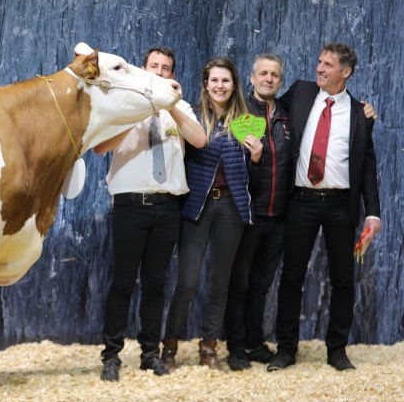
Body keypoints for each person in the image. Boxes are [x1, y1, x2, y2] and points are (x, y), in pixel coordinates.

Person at [268, 43, 382, 372]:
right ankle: (286, 350)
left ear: (345, 72)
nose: (319, 68)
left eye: (328, 65)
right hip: (301, 201)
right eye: (319, 62)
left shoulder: (361, 114)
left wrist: (372, 212)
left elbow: (367, 167)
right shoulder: (301, 93)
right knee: (291, 276)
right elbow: (268, 109)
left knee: (343, 279)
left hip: (339, 205)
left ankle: (337, 350)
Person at [95, 47, 207, 381]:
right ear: (143, 70)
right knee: (123, 282)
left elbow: (199, 140)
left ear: (172, 75)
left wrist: (169, 106)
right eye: (154, 67)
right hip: (131, 203)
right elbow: (101, 147)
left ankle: (149, 354)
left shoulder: (179, 106)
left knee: (156, 284)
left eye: (166, 68)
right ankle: (111, 356)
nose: (160, 72)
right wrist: (139, 110)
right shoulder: (125, 107)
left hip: (167, 206)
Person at [162, 57, 263, 371]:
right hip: (197, 207)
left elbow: (253, 175)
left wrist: (257, 156)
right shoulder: (191, 116)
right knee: (188, 282)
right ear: (206, 84)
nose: (220, 86)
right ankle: (169, 348)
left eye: (226, 81)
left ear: (234, 85)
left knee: (220, 283)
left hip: (231, 207)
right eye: (214, 80)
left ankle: (209, 348)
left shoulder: (247, 119)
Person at [223, 53, 293, 370]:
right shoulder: (241, 115)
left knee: (262, 284)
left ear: (280, 80)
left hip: (278, 216)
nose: (268, 79)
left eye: (274, 75)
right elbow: (234, 168)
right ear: (251, 79)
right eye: (263, 73)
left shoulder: (287, 116)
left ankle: (254, 343)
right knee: (240, 283)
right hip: (248, 215)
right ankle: (236, 347)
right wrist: (254, 160)